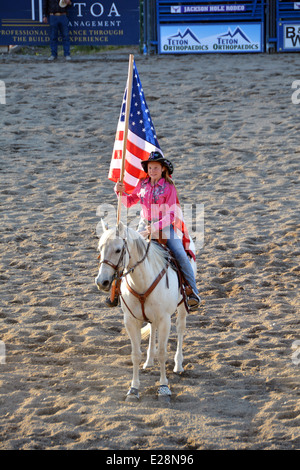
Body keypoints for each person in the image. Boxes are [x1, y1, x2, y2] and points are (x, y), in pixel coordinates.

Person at [111, 151, 200, 310]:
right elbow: (130, 202)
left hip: (164, 227)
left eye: (156, 167)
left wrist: (154, 227)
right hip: (144, 224)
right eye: (150, 167)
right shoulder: (142, 184)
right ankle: (117, 291)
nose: (152, 170)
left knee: (180, 254)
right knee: (126, 251)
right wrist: (119, 192)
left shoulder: (169, 187)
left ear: (163, 169)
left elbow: (171, 214)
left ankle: (192, 291)